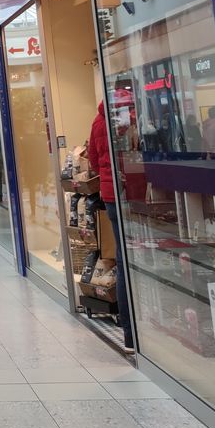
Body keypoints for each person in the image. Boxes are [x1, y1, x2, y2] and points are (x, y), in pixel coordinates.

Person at [88, 102, 135, 353]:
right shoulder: (130, 118)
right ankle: (139, 329)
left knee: (122, 258)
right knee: (135, 258)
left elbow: (94, 161)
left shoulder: (98, 120)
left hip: (111, 195)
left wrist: (107, 178)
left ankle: (129, 335)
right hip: (134, 193)